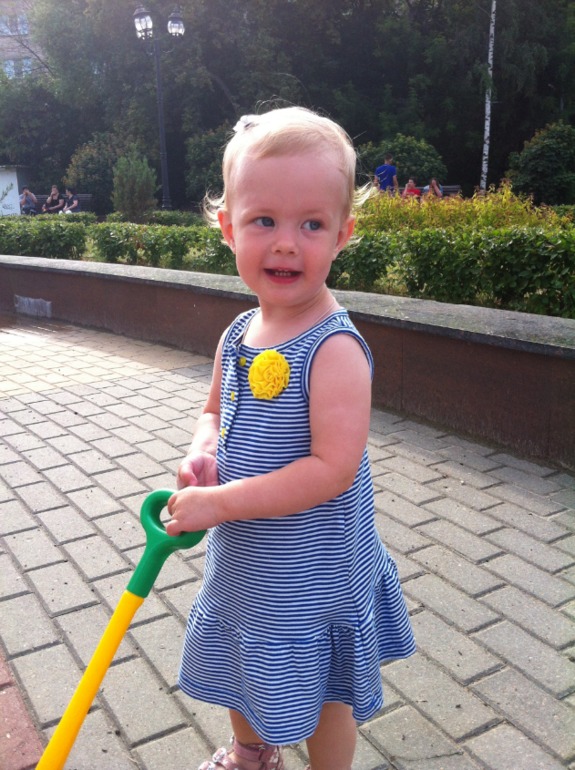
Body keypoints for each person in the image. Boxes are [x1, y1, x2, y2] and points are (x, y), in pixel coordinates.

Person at [167, 106, 416, 770]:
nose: (285, 243)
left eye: (311, 224)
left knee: (327, 698)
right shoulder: (236, 333)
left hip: (314, 573)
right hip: (247, 563)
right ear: (228, 228)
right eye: (263, 221)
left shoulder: (333, 349)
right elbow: (213, 412)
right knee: (240, 663)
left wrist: (219, 504)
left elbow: (332, 470)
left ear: (341, 235)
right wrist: (202, 453)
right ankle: (251, 753)